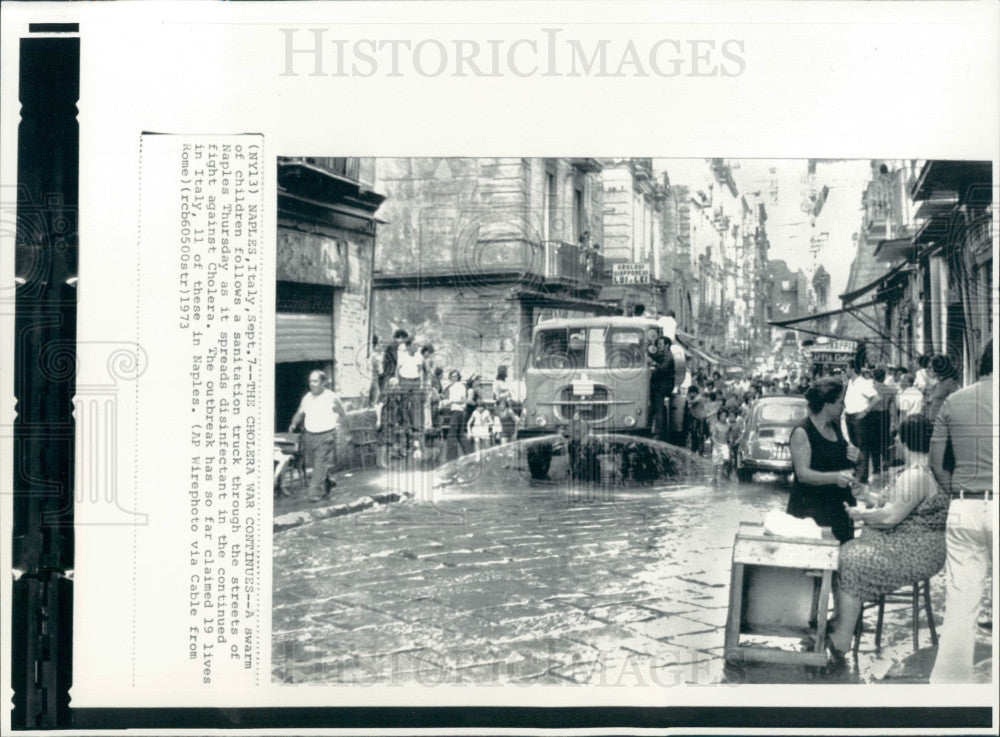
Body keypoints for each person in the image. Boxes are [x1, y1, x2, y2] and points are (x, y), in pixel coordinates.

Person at [823, 414, 949, 665]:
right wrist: (867, 495)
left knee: (850, 559)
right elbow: (892, 504)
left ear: (906, 441)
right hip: (911, 546)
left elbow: (890, 517)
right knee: (844, 553)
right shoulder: (917, 472)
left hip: (914, 551)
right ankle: (843, 622)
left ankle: (842, 636)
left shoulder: (916, 475)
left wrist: (862, 514)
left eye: (899, 437)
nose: (897, 442)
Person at [930, 339, 994, 683]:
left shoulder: (953, 401)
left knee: (960, 605)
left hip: (964, 506)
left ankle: (948, 690)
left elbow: (935, 463)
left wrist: (957, 491)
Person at [787, 378, 861, 543]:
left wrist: (855, 458)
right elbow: (803, 474)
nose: (844, 406)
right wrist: (835, 478)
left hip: (838, 510)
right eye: (841, 402)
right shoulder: (802, 432)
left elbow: (841, 464)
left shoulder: (835, 426)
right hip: (812, 513)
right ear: (827, 404)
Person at [288, 370, 350, 502]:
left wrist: (346, 432)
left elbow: (342, 414)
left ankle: (314, 494)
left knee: (319, 463)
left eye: (315, 381)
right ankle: (328, 481)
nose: (312, 384)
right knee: (315, 464)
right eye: (310, 381)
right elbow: (300, 412)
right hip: (310, 434)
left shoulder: (331, 397)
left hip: (327, 434)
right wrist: (293, 423)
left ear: (323, 383)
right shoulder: (307, 397)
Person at [843, 361, 879, 483]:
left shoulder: (862, 383)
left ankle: (862, 477)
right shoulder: (850, 383)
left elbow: (876, 398)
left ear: (852, 369)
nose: (845, 370)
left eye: (847, 368)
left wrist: (865, 412)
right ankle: (857, 472)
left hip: (859, 419)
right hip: (850, 417)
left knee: (862, 447)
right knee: (854, 446)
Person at [865, 366, 895, 480]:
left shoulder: (870, 389)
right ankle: (886, 465)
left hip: (872, 416)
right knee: (885, 441)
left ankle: (876, 468)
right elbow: (893, 409)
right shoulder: (889, 390)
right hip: (885, 415)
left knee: (873, 443)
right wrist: (893, 423)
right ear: (883, 377)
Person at [924, 353, 960, 424]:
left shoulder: (949, 383)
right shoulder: (937, 383)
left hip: (943, 423)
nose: (929, 370)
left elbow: (958, 402)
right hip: (932, 421)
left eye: (931, 367)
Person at [443, 369, 467, 460]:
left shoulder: (460, 386)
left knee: (451, 435)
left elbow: (463, 400)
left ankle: (451, 458)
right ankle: (468, 453)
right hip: (455, 411)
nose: (454, 378)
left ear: (458, 377)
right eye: (452, 376)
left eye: (456, 376)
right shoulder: (451, 387)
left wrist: (451, 401)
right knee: (460, 435)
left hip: (458, 412)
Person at [709, 408, 732, 481]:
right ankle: (714, 478)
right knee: (715, 463)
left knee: (726, 460)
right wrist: (716, 444)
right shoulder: (716, 425)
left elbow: (729, 435)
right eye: (722, 416)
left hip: (724, 445)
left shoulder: (728, 425)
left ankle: (722, 474)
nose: (723, 417)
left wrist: (730, 441)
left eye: (725, 416)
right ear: (719, 416)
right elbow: (712, 436)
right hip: (717, 445)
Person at [368, 335, 383, 408]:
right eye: (380, 342)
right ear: (376, 345)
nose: (382, 345)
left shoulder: (371, 355)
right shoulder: (376, 356)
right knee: (375, 402)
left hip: (372, 380)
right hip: (375, 381)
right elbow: (381, 371)